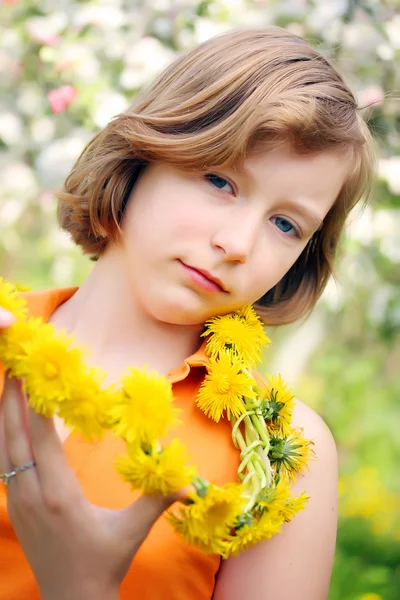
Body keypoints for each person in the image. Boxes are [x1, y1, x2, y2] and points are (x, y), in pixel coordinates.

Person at [0, 26, 373, 600]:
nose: (238, 243)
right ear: (142, 156)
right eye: (221, 181)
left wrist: (81, 589)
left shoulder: (276, 450)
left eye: (285, 224)